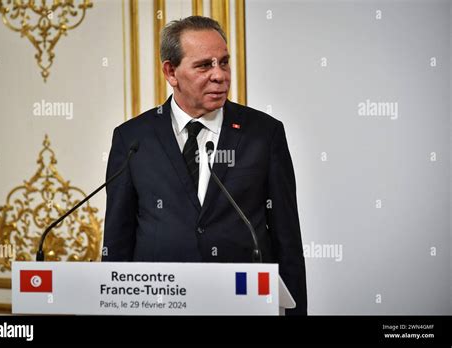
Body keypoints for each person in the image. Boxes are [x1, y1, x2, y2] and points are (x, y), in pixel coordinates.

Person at [102, 16, 307, 315]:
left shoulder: (264, 134)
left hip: (242, 304)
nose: (220, 75)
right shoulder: (132, 138)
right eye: (204, 66)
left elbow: (287, 238)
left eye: (224, 63)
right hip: (159, 304)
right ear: (171, 72)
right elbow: (117, 241)